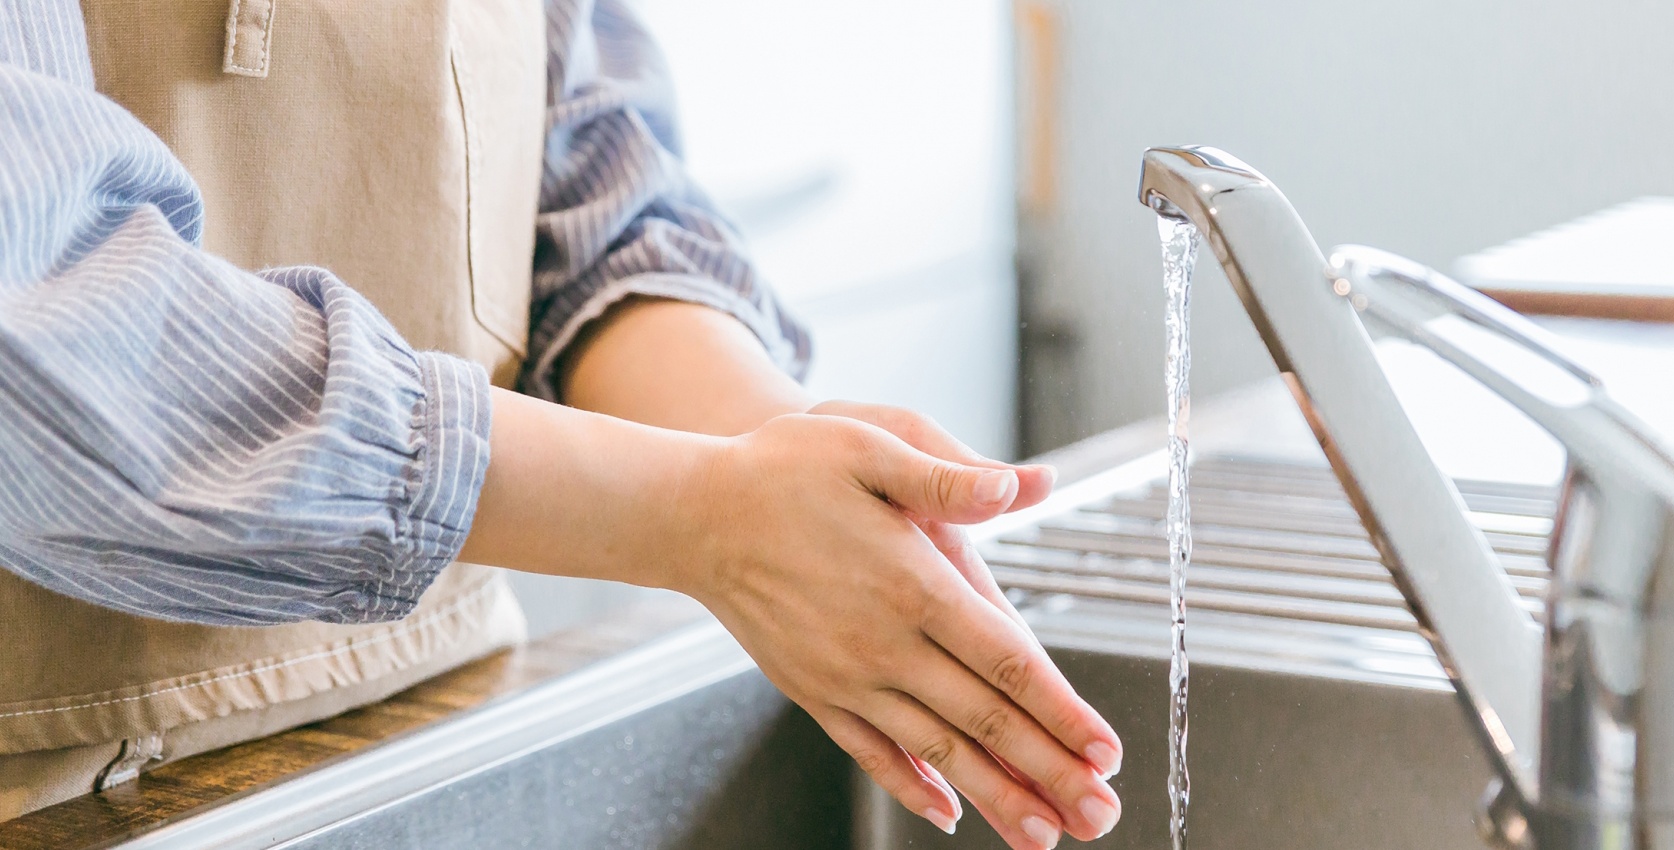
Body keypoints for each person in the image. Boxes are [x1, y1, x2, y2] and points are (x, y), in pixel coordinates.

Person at [0, 1, 1122, 848]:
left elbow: (581, 161)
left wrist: (764, 449)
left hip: (444, 708)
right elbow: (41, 329)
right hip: (69, 790)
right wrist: (704, 514)